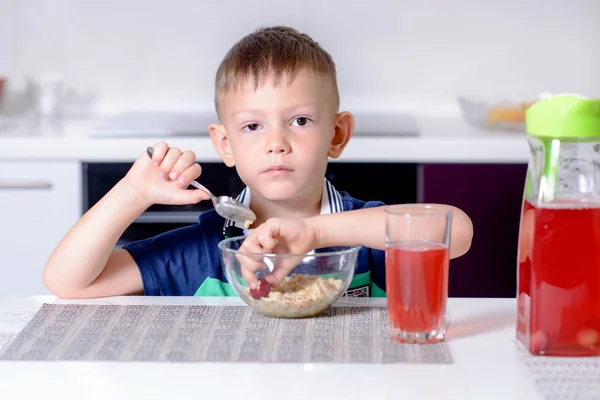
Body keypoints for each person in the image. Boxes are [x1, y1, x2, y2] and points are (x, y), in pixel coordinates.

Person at [42, 26, 473, 299]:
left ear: (336, 135)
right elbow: (68, 282)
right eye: (252, 127)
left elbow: (458, 231)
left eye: (299, 120)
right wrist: (131, 194)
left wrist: (314, 232)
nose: (276, 143)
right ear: (224, 144)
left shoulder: (368, 231)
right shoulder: (204, 249)